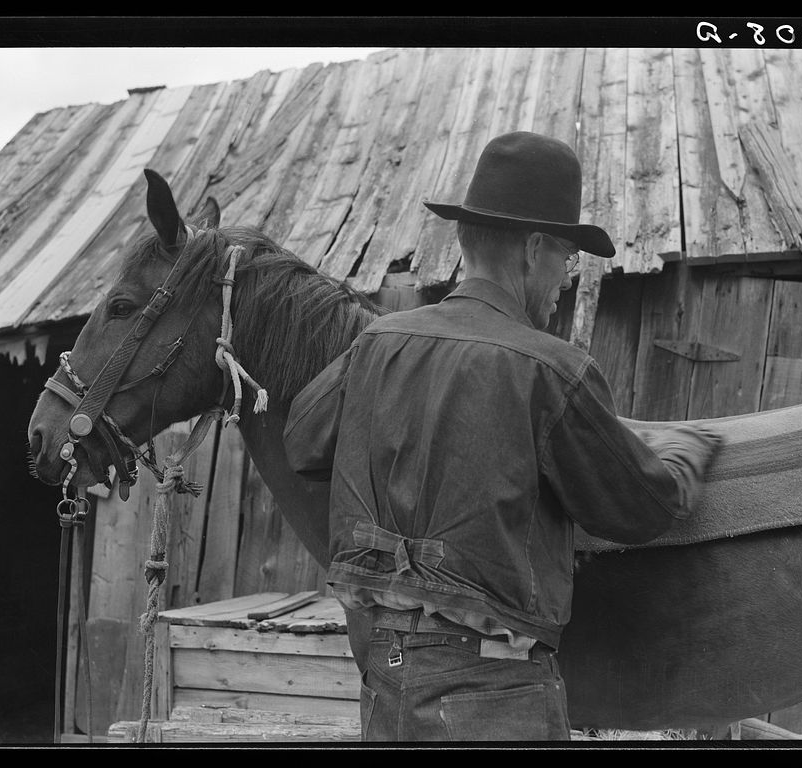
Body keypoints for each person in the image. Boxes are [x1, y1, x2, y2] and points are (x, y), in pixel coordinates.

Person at [283, 131, 722, 742]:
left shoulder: (378, 343)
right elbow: (639, 508)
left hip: (385, 681)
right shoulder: (552, 369)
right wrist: (685, 451)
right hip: (493, 696)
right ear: (533, 248)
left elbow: (303, 444)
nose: (568, 278)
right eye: (567, 257)